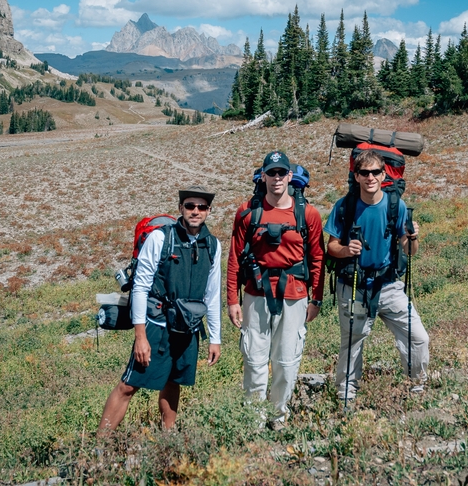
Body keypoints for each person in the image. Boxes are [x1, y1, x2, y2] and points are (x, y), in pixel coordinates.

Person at [98, 186, 221, 434]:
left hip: (188, 327)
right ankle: (96, 446)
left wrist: (215, 338)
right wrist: (140, 337)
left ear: (208, 211)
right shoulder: (160, 238)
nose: (195, 211)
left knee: (173, 381)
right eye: (189, 206)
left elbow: (213, 293)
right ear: (180, 208)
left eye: (201, 207)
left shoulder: (213, 245)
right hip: (157, 324)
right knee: (129, 385)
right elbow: (141, 287)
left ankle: (168, 436)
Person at [227, 150, 324, 427]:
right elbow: (234, 256)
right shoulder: (248, 212)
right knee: (255, 361)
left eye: (282, 173)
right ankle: (253, 421)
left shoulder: (308, 214)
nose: (277, 178)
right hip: (255, 294)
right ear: (264, 176)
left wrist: (316, 298)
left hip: (295, 295)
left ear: (290, 176)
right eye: (272, 173)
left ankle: (278, 416)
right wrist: (232, 299)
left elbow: (317, 257)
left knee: (286, 362)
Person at [324, 149, 429, 401]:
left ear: (384, 175)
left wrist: (413, 238)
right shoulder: (344, 206)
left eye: (375, 172)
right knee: (352, 341)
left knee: (418, 337)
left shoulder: (396, 206)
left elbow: (409, 249)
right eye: (364, 173)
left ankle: (417, 387)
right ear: (356, 176)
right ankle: (346, 394)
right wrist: (347, 249)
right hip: (354, 285)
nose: (370, 177)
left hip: (389, 284)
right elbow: (331, 247)